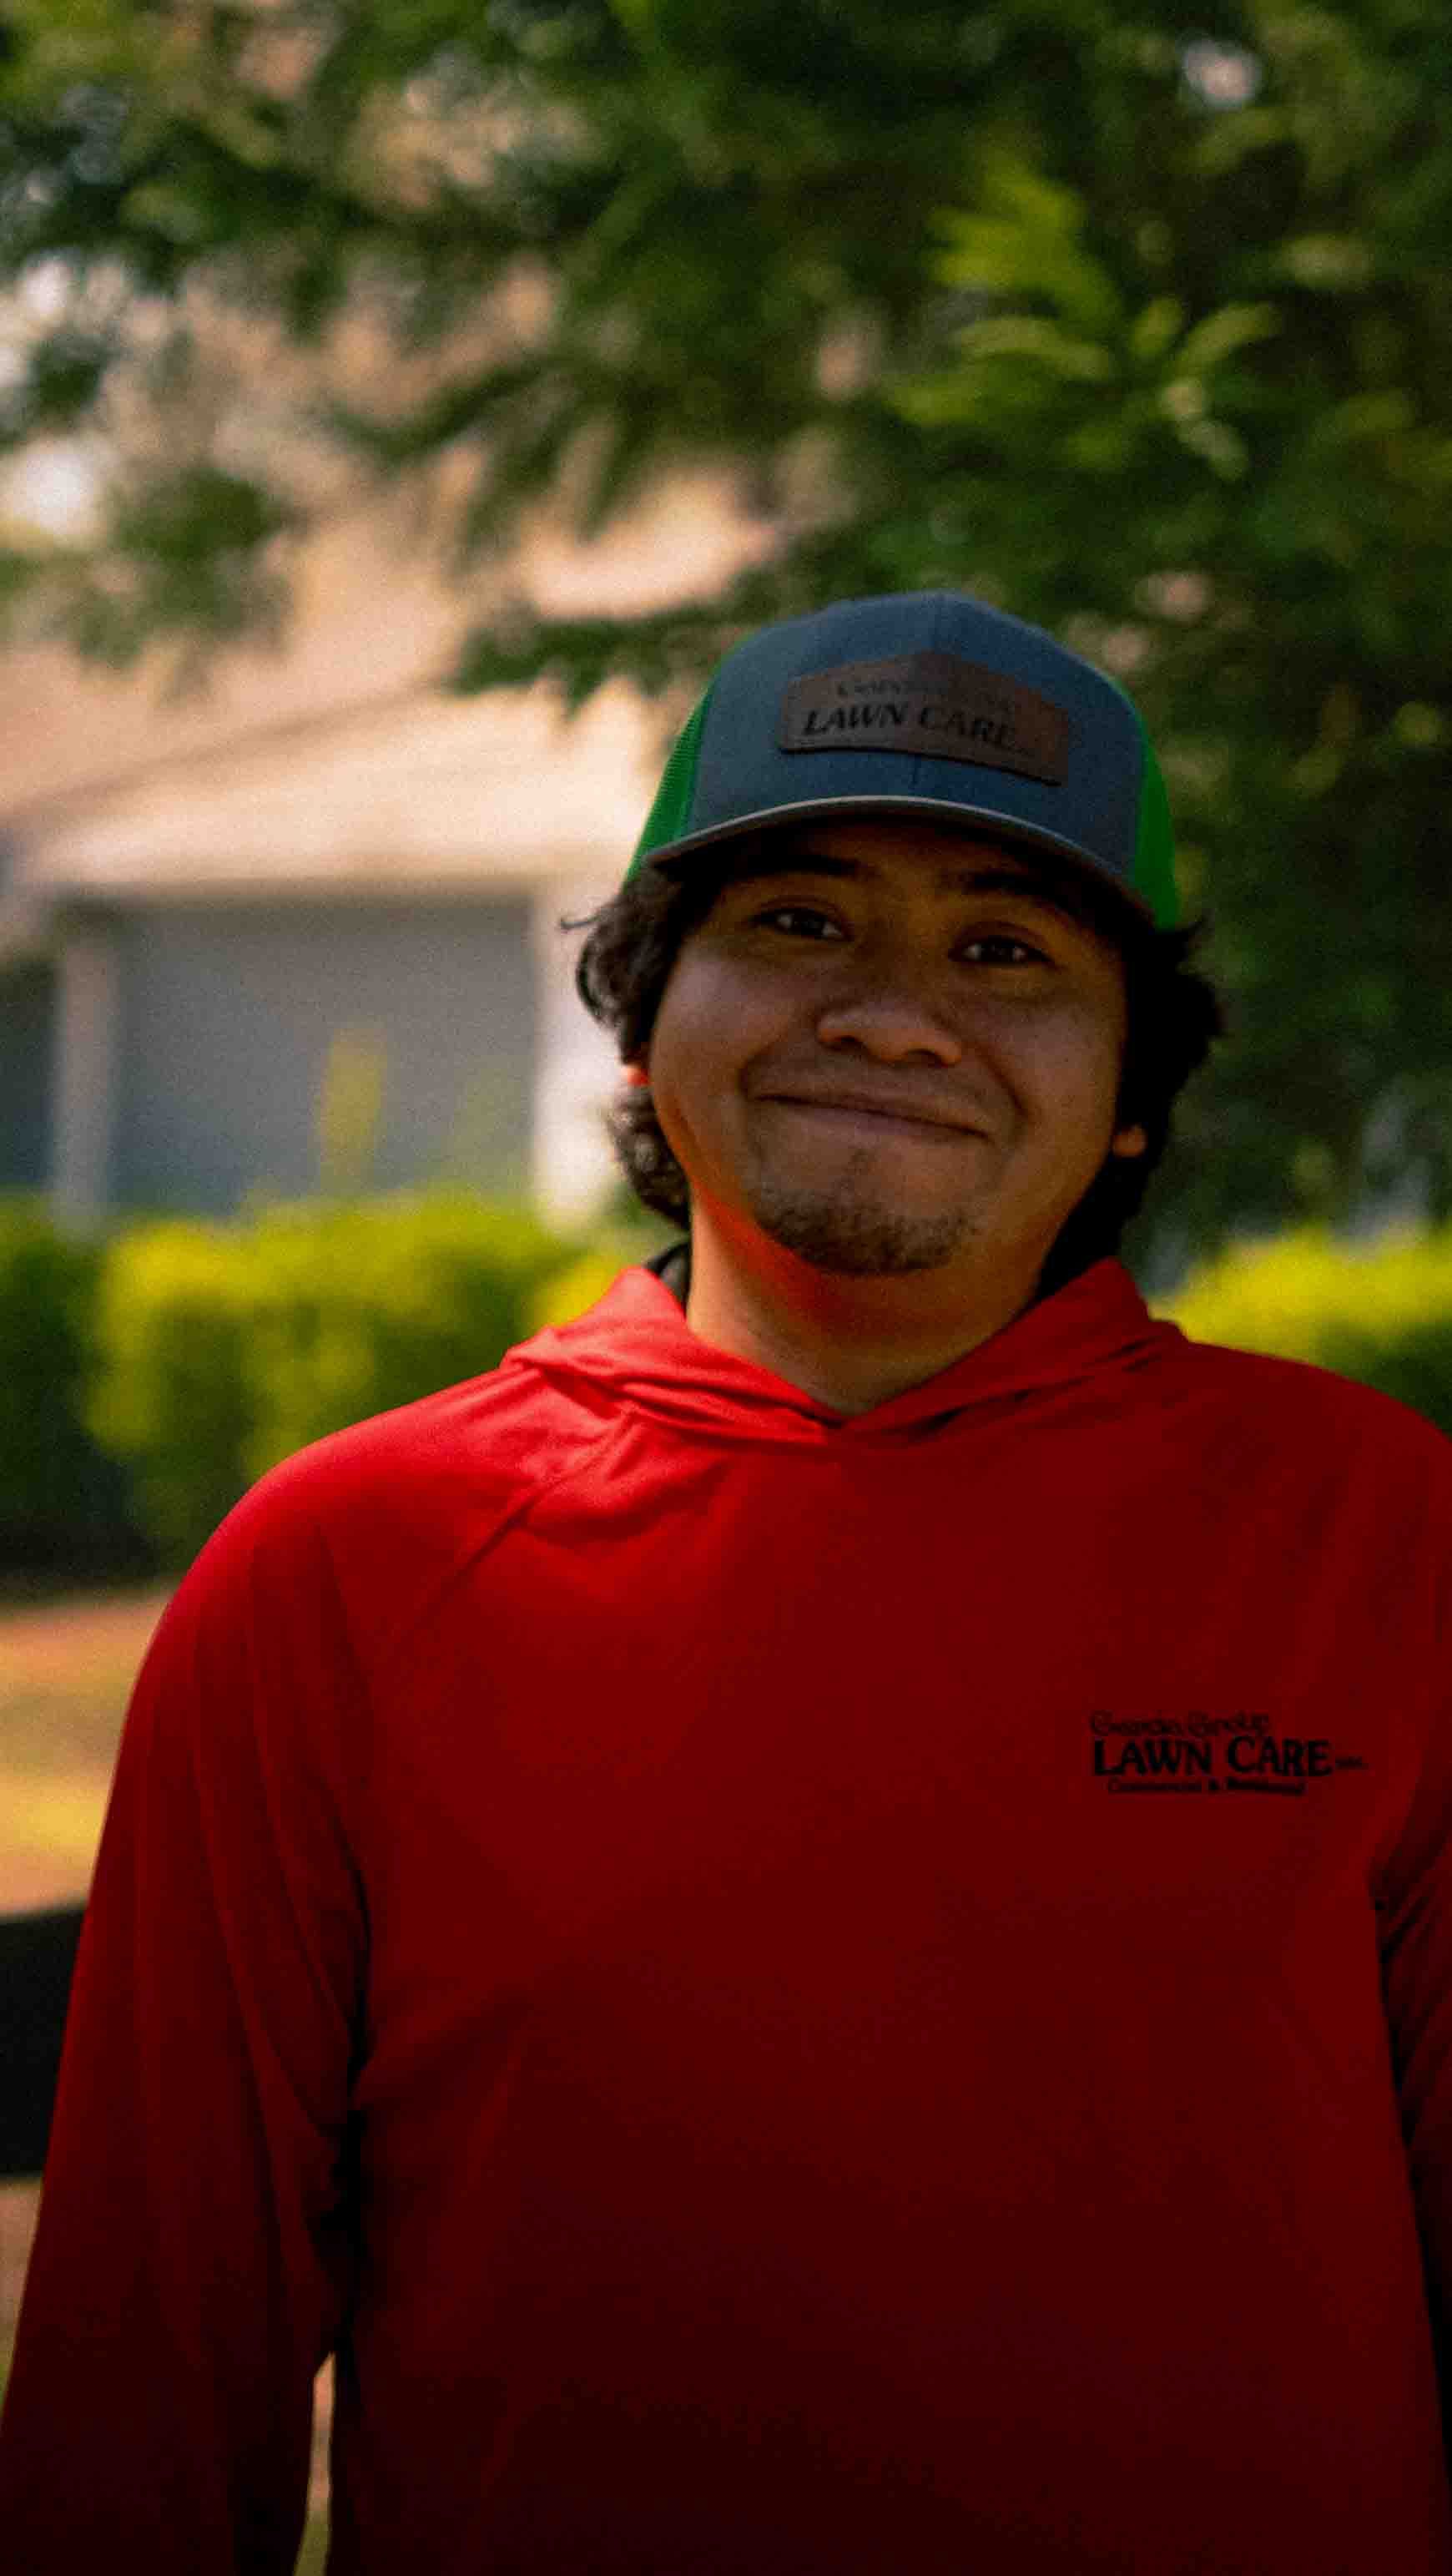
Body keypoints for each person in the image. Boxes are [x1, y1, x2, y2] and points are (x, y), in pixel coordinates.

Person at [2, 588, 1450, 2575]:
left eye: (1006, 949)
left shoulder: (1384, 1540)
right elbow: (143, 2394)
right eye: (798, 922)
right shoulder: (343, 1572)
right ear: (642, 1017)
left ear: (1132, 1089)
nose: (892, 1008)